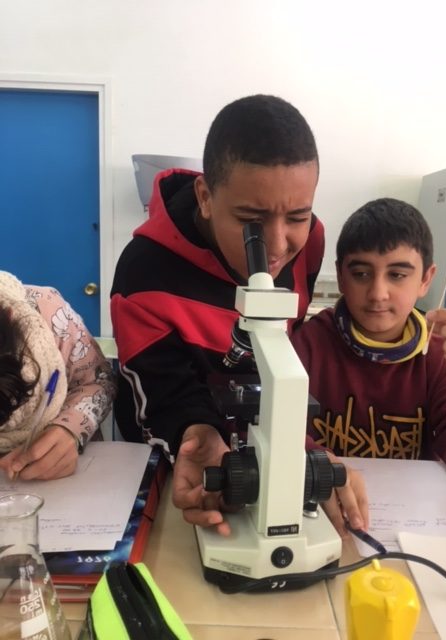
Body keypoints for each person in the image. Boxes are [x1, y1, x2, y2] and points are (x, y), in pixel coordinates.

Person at [111, 94, 368, 537]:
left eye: (298, 217)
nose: (278, 246)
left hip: (255, 446)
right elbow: (164, 394)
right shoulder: (145, 273)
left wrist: (300, 458)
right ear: (206, 197)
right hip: (177, 469)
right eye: (252, 219)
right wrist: (198, 435)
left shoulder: (309, 243)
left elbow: (282, 355)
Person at [292, 197, 446, 480]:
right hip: (324, 497)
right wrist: (318, 465)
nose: (378, 293)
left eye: (397, 275)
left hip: (413, 504)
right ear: (341, 277)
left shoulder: (440, 356)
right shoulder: (308, 344)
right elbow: (279, 434)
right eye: (361, 274)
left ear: (426, 279)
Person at [0, 271, 116, 480]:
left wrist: (69, 429)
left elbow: (100, 380)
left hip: (64, 480)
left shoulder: (47, 314)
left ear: (9, 317)